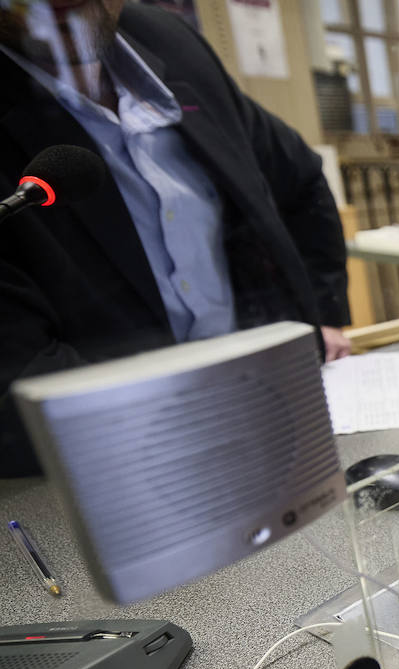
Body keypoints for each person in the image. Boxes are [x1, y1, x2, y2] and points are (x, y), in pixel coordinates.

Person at [0, 1, 351, 477]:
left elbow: (301, 179)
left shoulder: (167, 40)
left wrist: (322, 315)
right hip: (116, 464)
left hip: (268, 414)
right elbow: (17, 382)